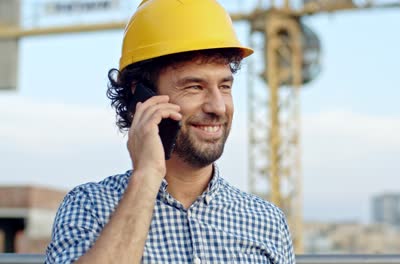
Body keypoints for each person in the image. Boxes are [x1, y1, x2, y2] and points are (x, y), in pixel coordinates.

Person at [45, 0, 295, 263]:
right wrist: (147, 176)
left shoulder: (268, 222)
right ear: (142, 97)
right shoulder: (89, 206)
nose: (218, 107)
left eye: (224, 86)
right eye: (194, 87)